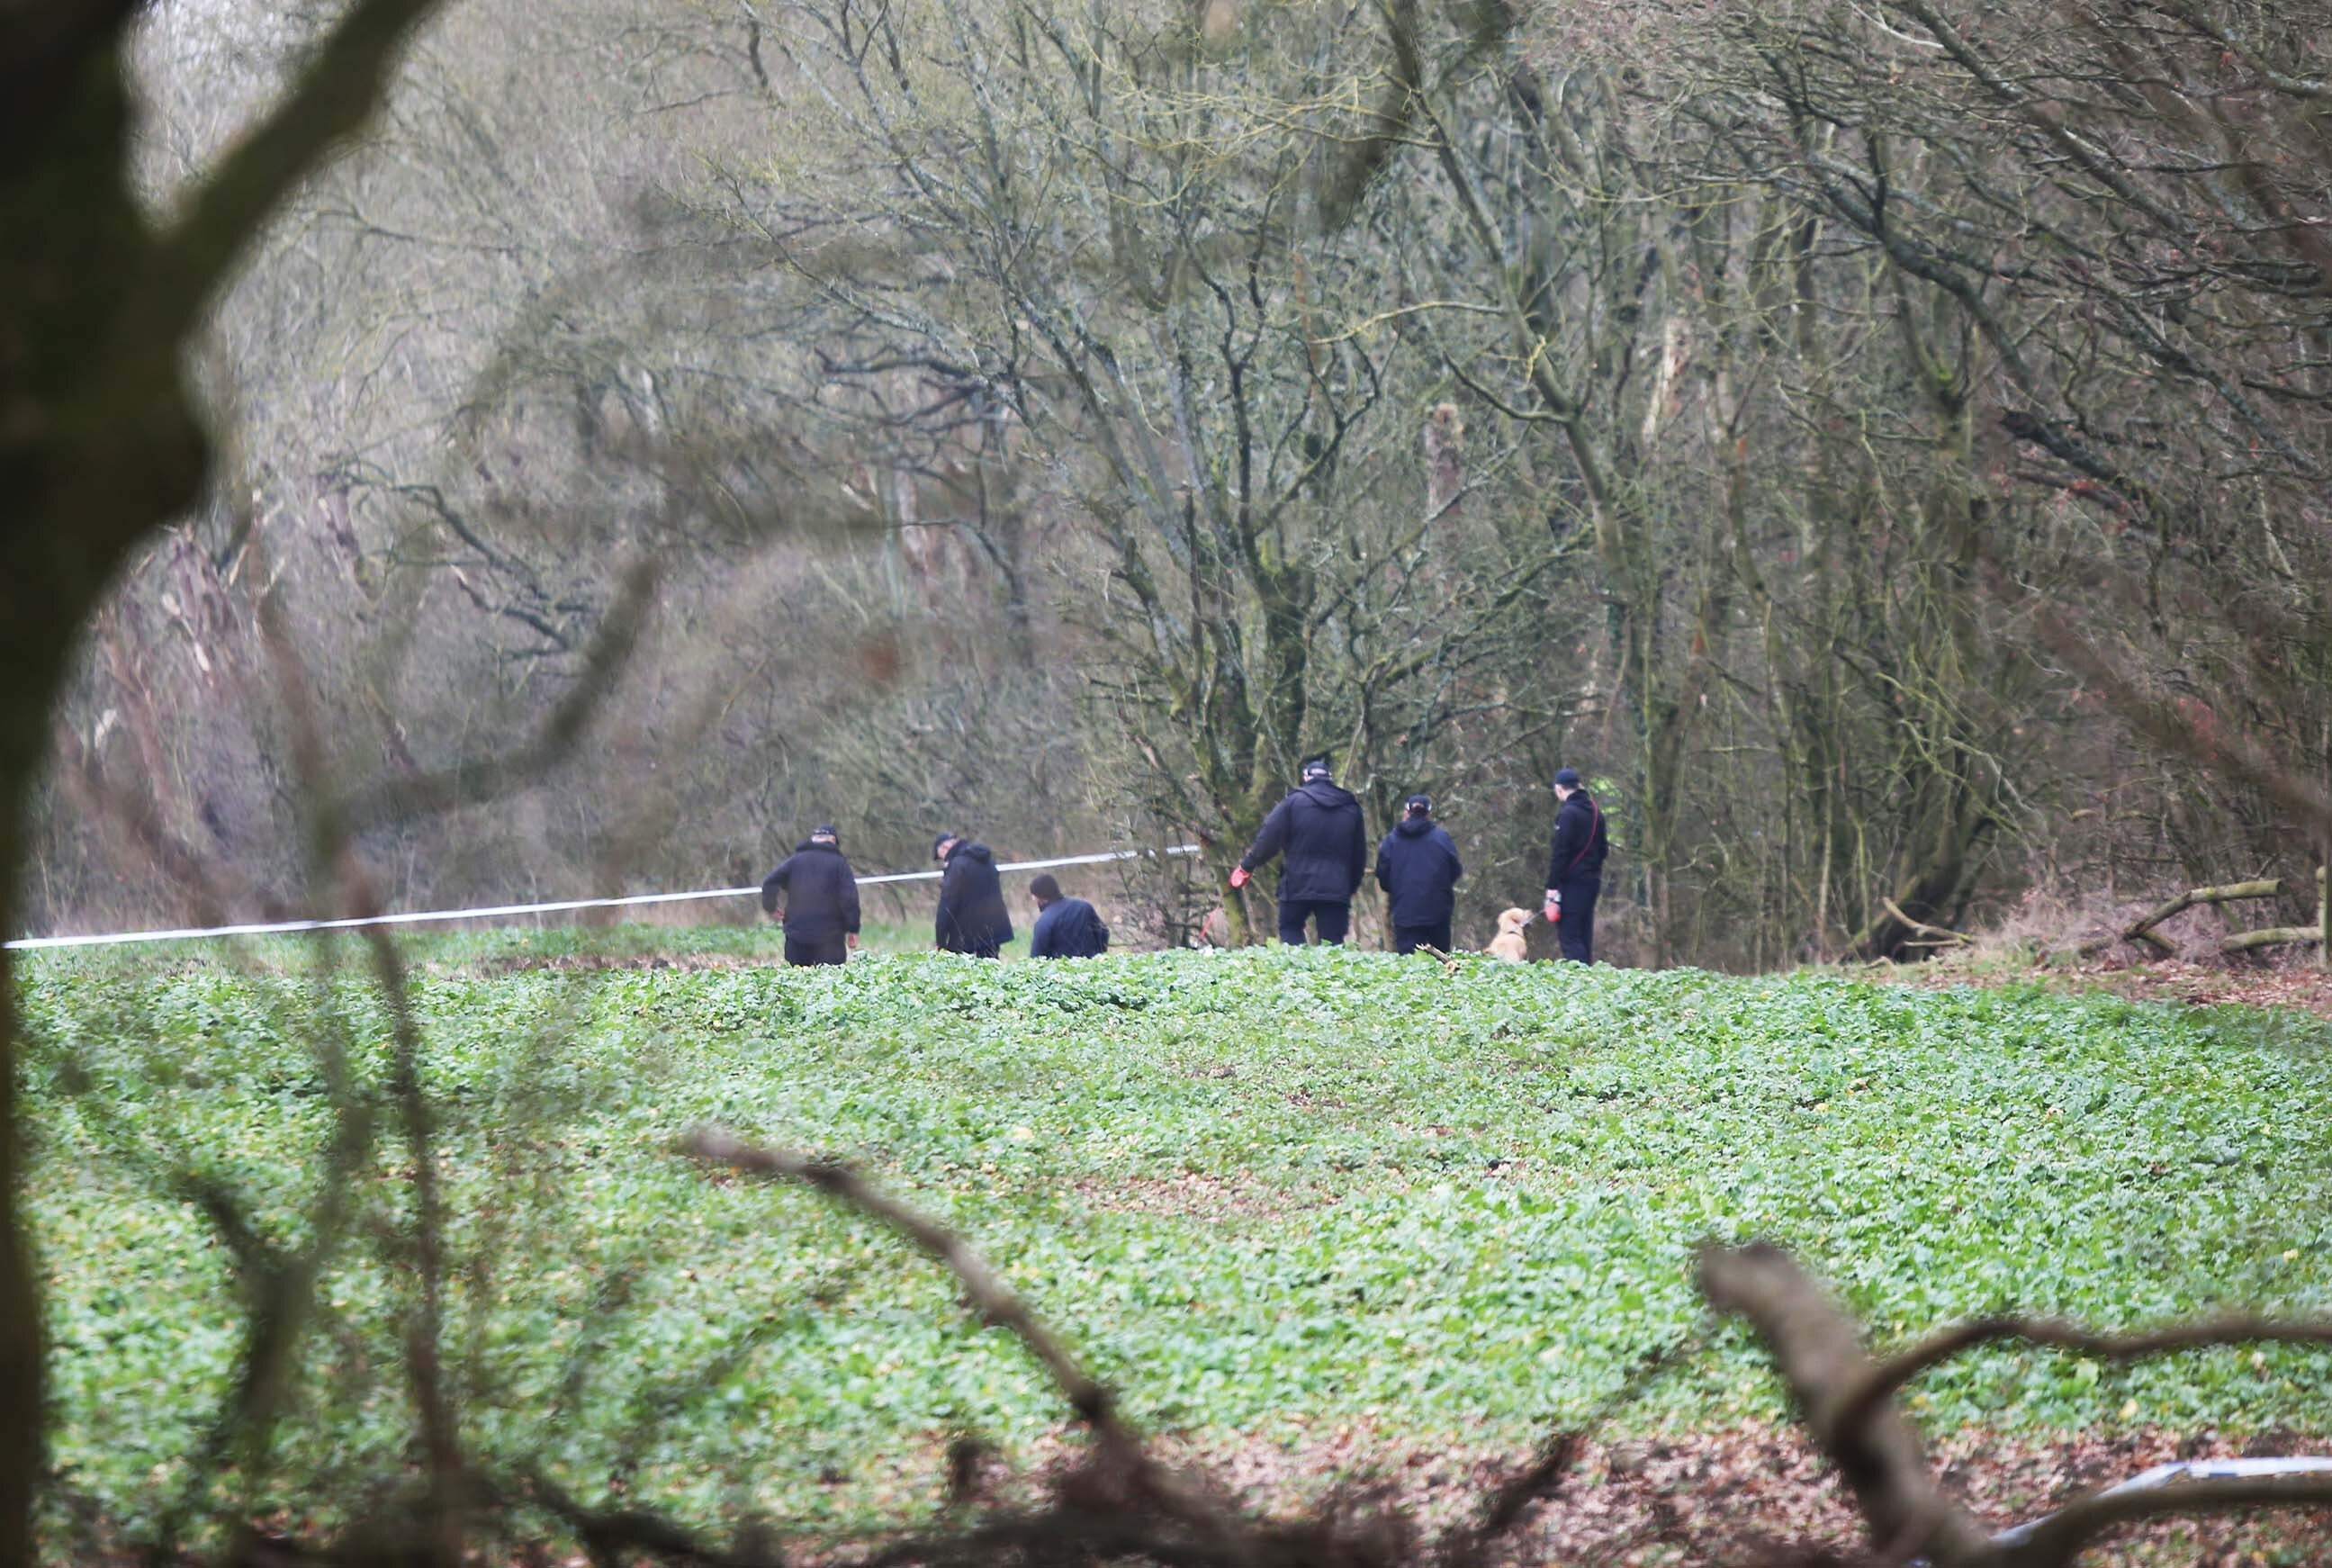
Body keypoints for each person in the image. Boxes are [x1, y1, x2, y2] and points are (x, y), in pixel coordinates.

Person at [1229, 754, 1366, 945]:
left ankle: (1296, 971)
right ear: (1330, 778)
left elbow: (1269, 838)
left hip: (1297, 884)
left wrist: (1247, 866)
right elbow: (1359, 855)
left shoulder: (1292, 803)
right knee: (1333, 946)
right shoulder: (1351, 808)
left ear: (1306, 778)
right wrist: (1351, 886)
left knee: (1290, 929)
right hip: (1336, 888)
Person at [1374, 793, 1463, 955]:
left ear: (1406, 812)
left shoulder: (1391, 841)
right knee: (1441, 964)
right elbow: (1455, 870)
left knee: (1410, 966)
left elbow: (1383, 876)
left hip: (1405, 913)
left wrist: (1398, 890)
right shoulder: (1442, 839)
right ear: (1428, 814)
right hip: (1438, 914)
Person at [761, 824, 860, 967]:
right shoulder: (839, 864)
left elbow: (769, 883)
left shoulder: (794, 861)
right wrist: (853, 928)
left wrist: (771, 907)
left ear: (813, 839)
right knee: (829, 983)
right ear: (833, 840)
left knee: (799, 983)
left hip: (797, 936)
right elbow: (849, 898)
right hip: (830, 940)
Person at [1542, 768, 1609, 963]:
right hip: (1593, 881)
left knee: (1569, 936)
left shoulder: (1568, 814)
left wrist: (1552, 886)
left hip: (1572, 884)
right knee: (1584, 933)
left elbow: (1560, 853)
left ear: (1559, 789)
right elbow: (1604, 850)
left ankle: (1579, 981)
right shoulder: (1597, 813)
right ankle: (1588, 979)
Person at [932, 832, 1013, 958]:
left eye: (942, 857)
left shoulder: (957, 865)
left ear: (945, 848)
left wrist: (941, 940)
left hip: (967, 937)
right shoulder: (986, 860)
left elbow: (947, 904)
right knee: (991, 971)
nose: (945, 861)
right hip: (993, 930)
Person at [1027, 873, 1110, 960]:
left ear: (1039, 897)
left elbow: (1036, 958)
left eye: (1034, 896)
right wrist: (1095, 955)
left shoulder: (1044, 922)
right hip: (1092, 968)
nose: (1033, 899)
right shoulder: (1084, 907)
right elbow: (1104, 933)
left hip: (1061, 971)